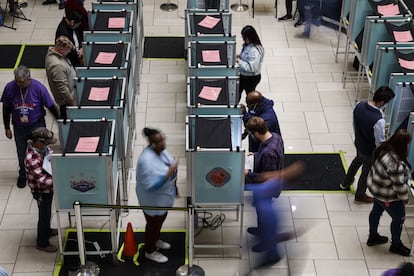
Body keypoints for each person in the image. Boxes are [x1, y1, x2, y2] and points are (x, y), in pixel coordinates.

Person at [1, 65, 59, 189]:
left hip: (36, 124)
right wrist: (6, 127)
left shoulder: (39, 88)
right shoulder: (10, 88)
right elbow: (6, 108)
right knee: (21, 152)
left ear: (29, 79)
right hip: (19, 126)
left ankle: (44, 171)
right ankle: (23, 174)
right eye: (17, 81)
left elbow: (51, 106)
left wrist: (60, 121)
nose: (19, 84)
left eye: (21, 82)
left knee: (41, 150)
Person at [340, 86, 395, 204]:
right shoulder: (378, 120)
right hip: (369, 151)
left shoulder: (359, 105)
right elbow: (379, 142)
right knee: (366, 173)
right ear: (382, 102)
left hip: (359, 143)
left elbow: (355, 124)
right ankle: (360, 195)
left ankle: (345, 182)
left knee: (356, 162)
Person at [243, 116, 285, 265]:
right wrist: (254, 156)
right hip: (268, 186)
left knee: (266, 218)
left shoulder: (268, 153)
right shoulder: (275, 137)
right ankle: (261, 231)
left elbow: (267, 178)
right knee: (262, 215)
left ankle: (270, 249)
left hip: (267, 190)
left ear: (256, 134)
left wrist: (248, 174)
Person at [135, 127, 178, 264]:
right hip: (152, 201)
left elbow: (169, 163)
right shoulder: (146, 161)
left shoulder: (160, 151)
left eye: (163, 139)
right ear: (152, 144)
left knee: (159, 222)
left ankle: (155, 240)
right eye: (159, 141)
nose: (163, 143)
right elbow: (150, 185)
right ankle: (150, 250)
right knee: (153, 225)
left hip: (163, 198)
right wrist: (168, 174)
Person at [366, 129, 411, 257]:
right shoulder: (395, 165)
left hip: (376, 190)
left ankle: (373, 236)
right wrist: (405, 200)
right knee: (399, 219)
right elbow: (399, 186)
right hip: (388, 198)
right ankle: (396, 245)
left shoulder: (383, 149)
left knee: (376, 212)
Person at [24, 127, 59, 253]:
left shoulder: (41, 149)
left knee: (47, 213)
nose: (48, 145)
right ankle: (42, 242)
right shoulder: (31, 159)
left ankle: (48, 230)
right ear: (38, 142)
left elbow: (49, 154)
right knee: (44, 216)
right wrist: (59, 182)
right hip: (41, 192)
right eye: (46, 143)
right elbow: (42, 181)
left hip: (48, 189)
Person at [45, 35, 77, 120]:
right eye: (68, 51)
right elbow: (62, 88)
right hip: (67, 102)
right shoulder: (57, 65)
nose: (69, 53)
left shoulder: (53, 53)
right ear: (61, 50)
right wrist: (72, 102)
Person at [236, 25, 264, 102]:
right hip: (243, 76)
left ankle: (251, 111)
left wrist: (239, 61)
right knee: (236, 94)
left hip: (250, 78)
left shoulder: (255, 51)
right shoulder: (249, 45)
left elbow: (252, 68)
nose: (243, 39)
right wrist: (240, 56)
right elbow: (248, 57)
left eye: (244, 37)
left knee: (250, 98)